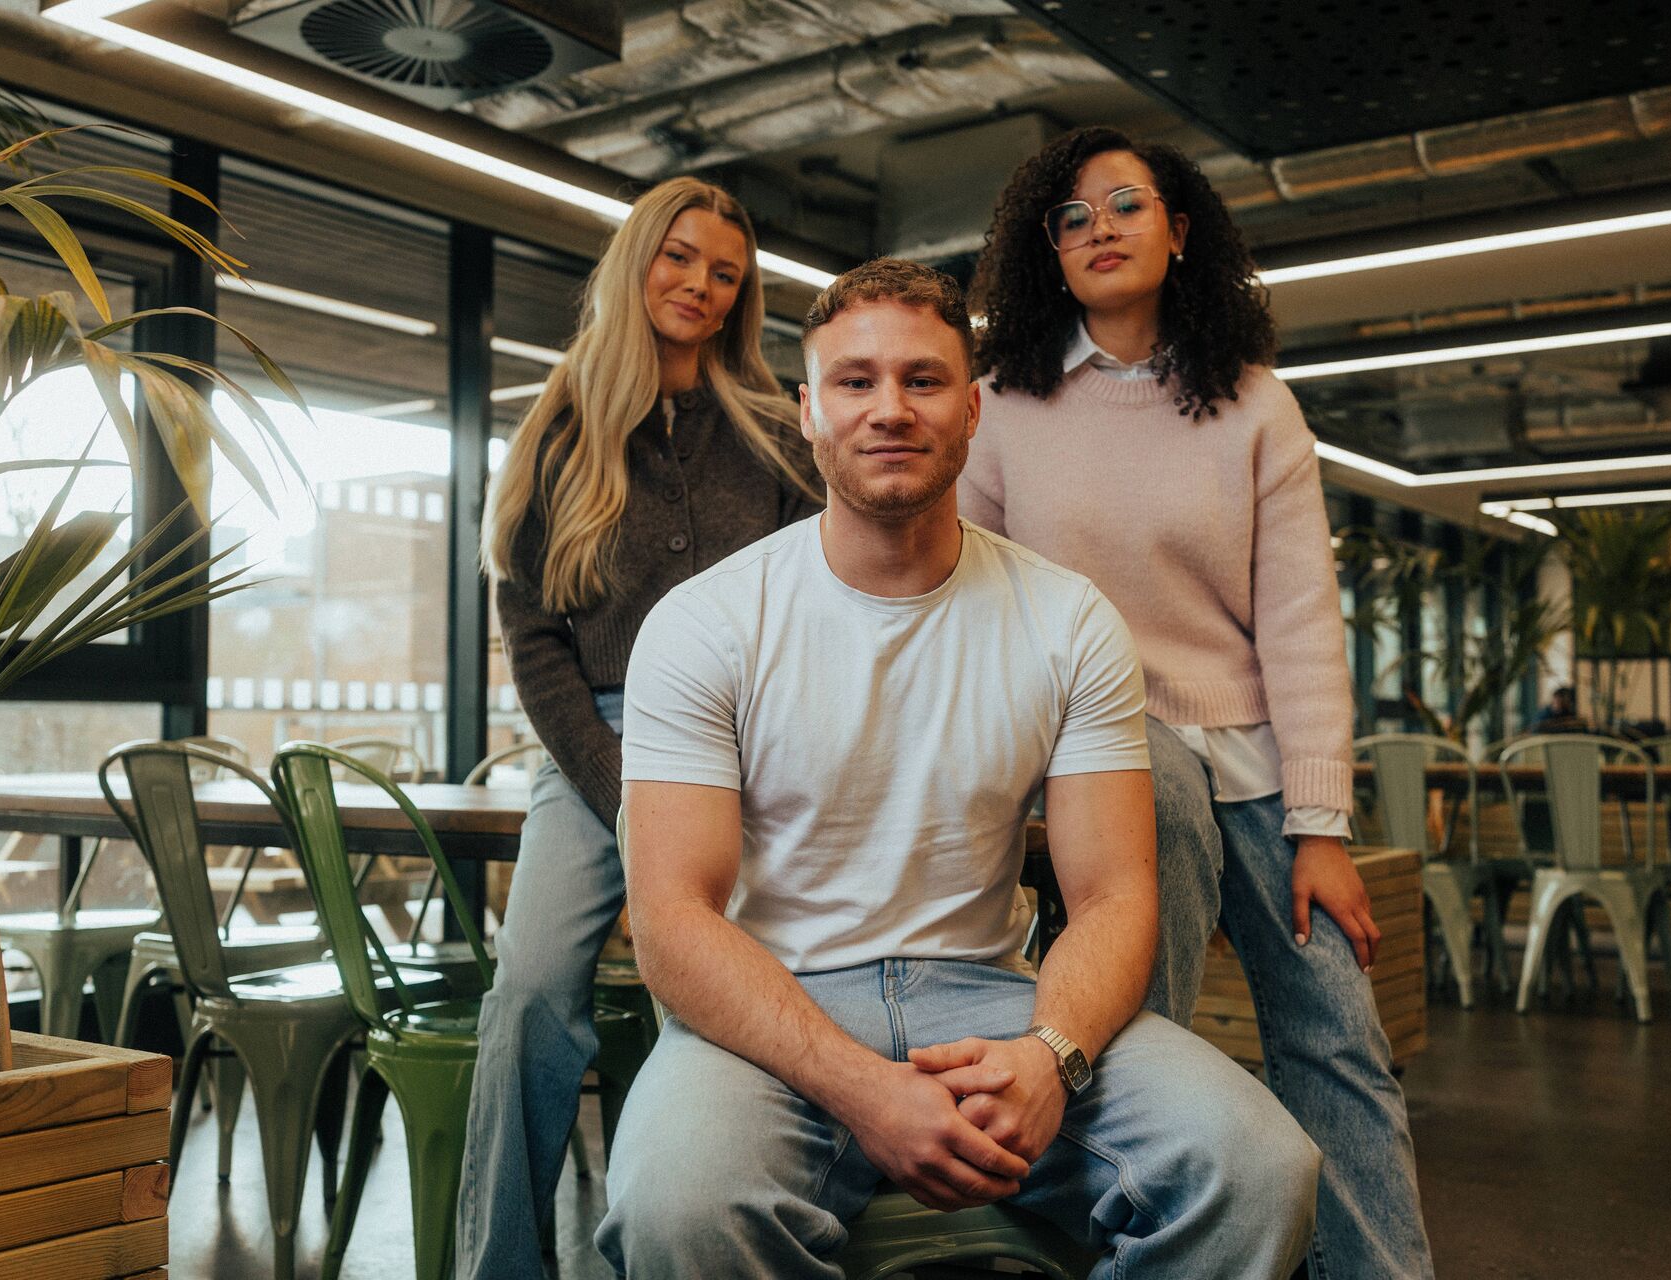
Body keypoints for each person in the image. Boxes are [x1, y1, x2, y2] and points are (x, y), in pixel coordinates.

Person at [598, 258, 1320, 1278]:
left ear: (973, 408)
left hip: (990, 998)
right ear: (808, 411)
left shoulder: (1067, 619)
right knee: (680, 1208)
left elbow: (1114, 894)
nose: (889, 408)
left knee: (1258, 1166)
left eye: (924, 380)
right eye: (854, 382)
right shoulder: (706, 623)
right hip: (778, 1007)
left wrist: (1052, 1055)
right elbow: (673, 921)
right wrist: (861, 1086)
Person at [962, 126, 1434, 1279]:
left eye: (1125, 206)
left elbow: (1301, 627)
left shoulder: (1256, 406)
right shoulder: (1002, 408)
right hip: (1099, 749)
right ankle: (1140, 1240)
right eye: (1070, 218)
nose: (1099, 230)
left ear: (1180, 232)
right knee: (1136, 1026)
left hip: (1257, 761)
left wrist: (1321, 830)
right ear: (1048, 255)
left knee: (1341, 1040)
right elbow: (969, 605)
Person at [455, 175, 819, 1278]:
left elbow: (819, 604)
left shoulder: (774, 430)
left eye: (724, 272)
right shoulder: (561, 428)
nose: (700, 286)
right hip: (595, 748)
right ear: (635, 263)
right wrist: (619, 786)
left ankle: (680, 1242)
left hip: (749, 747)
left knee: (717, 997)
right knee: (527, 996)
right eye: (680, 258)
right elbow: (531, 636)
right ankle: (503, 1263)